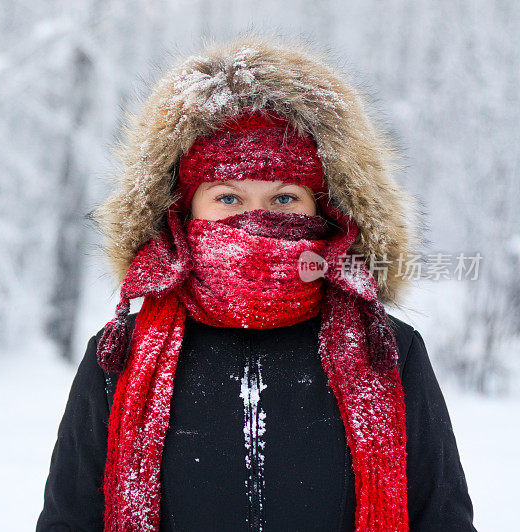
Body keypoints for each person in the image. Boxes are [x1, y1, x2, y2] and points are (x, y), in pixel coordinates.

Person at [37, 33, 476, 532]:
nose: (256, 218)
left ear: (325, 211)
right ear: (181, 212)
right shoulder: (121, 357)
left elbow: (443, 520)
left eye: (285, 198)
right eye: (227, 197)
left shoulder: (388, 351)